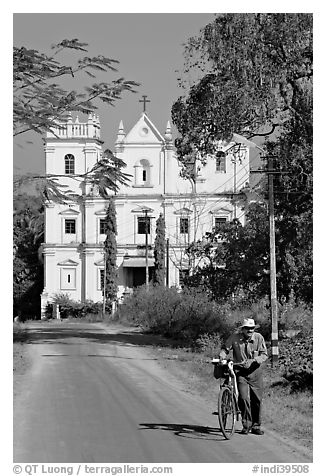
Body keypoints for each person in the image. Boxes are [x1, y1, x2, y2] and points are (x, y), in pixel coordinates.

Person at [219, 318, 268, 435]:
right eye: (247, 328)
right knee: (243, 398)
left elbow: (264, 354)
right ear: (243, 329)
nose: (250, 330)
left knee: (257, 400)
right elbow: (225, 349)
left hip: (255, 372)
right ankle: (246, 425)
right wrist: (222, 356)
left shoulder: (259, 337)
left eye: (252, 328)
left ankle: (256, 426)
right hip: (240, 372)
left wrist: (253, 361)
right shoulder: (234, 338)